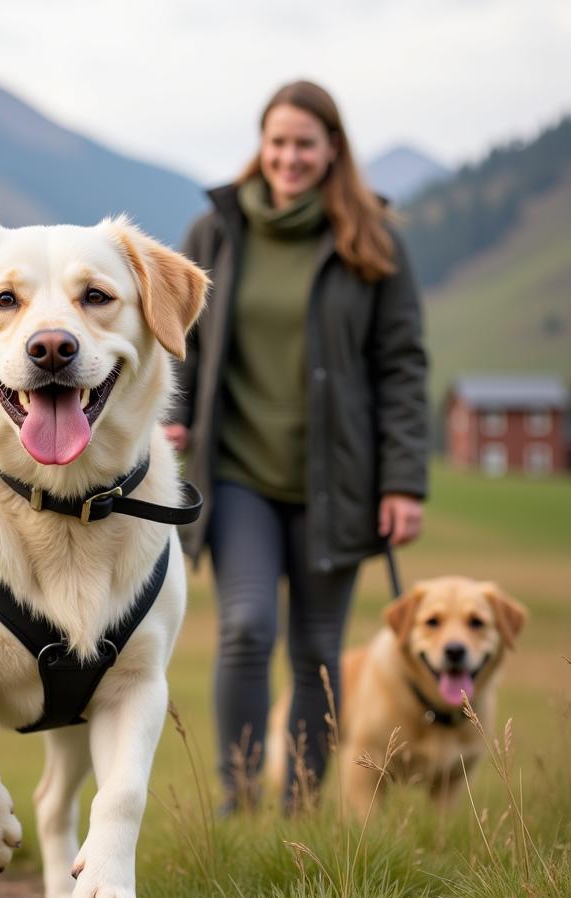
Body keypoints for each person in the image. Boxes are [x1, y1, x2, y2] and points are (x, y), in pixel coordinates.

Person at [166, 80, 428, 812]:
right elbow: (177, 341)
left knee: (317, 650)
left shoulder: (371, 242)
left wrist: (403, 481)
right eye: (277, 142)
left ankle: (300, 807)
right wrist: (172, 414)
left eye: (304, 144)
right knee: (247, 628)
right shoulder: (213, 232)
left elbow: (403, 365)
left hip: (337, 481)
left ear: (332, 150)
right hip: (238, 473)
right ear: (262, 145)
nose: (288, 157)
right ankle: (240, 798)